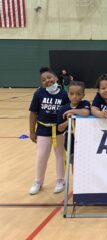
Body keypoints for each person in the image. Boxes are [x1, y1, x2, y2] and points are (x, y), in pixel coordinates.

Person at [28, 67, 70, 195]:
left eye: (49, 77)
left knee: (59, 156)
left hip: (59, 130)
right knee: (41, 157)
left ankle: (60, 180)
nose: (47, 81)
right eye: (44, 80)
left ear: (56, 78)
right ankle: (38, 181)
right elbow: (33, 113)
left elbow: (69, 111)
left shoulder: (64, 94)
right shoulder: (39, 93)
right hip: (43, 130)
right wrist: (32, 131)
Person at [57, 81, 90, 170]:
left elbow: (86, 112)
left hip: (84, 137)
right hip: (70, 139)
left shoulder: (85, 104)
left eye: (78, 94)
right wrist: (69, 121)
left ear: (83, 95)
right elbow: (60, 128)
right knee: (74, 161)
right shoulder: (63, 108)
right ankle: (76, 181)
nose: (74, 96)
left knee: (85, 160)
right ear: (68, 94)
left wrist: (73, 112)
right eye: (72, 94)